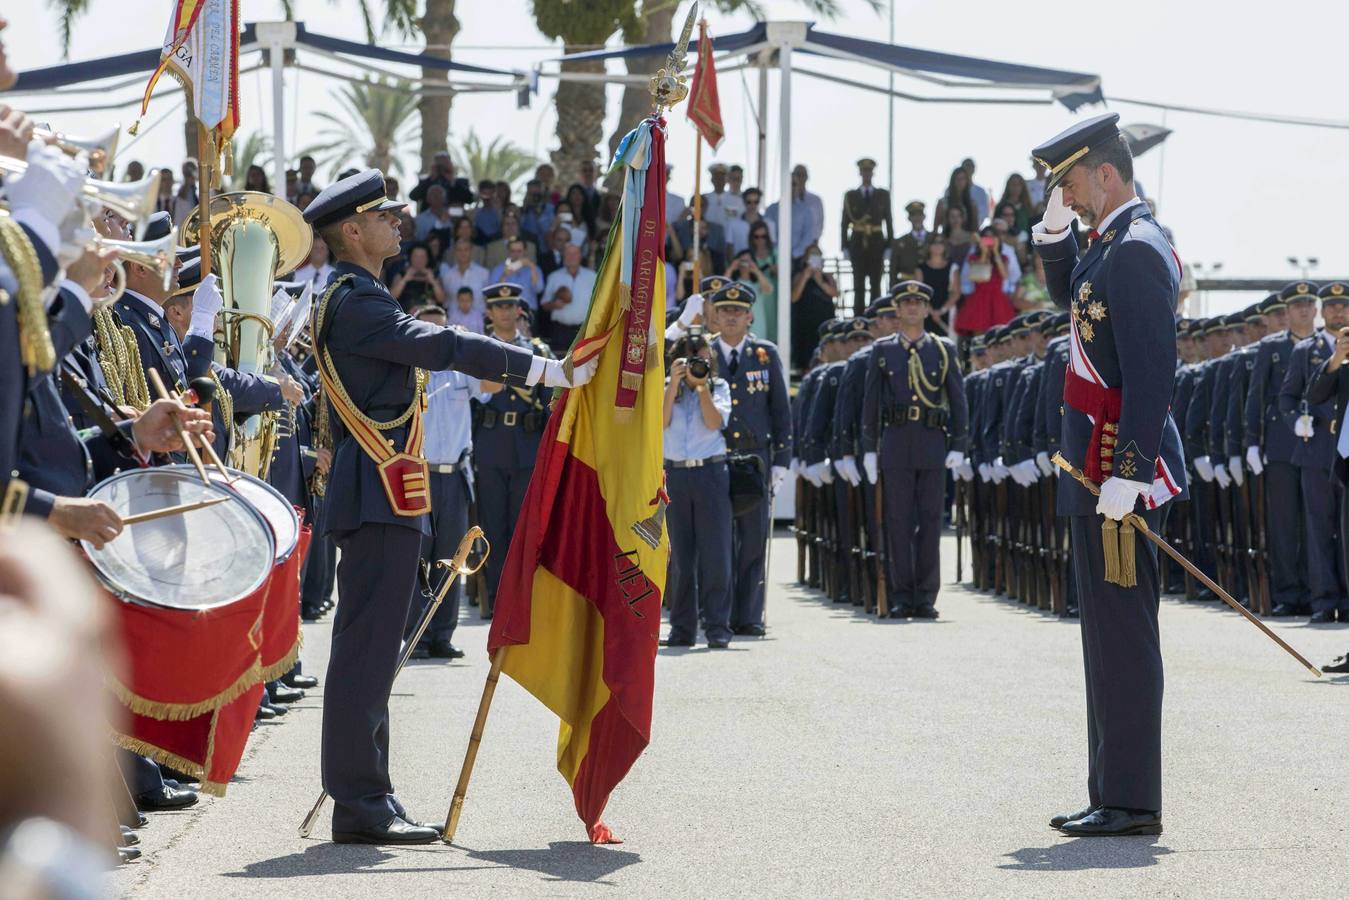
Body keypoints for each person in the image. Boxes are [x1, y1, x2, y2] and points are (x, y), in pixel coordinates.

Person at [302, 169, 594, 845]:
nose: (398, 224)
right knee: (367, 652)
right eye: (385, 216)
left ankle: (368, 795)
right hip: (376, 487)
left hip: (381, 484)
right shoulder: (357, 300)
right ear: (352, 230)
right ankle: (360, 802)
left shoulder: (355, 293)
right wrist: (546, 369)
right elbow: (446, 345)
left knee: (372, 651)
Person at [1032, 113, 1186, 837]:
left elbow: (1155, 371)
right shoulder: (1109, 248)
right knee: (1104, 634)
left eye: (1069, 182)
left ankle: (1130, 800)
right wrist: (1054, 239)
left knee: (1123, 635)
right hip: (1095, 465)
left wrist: (1128, 472)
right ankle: (1111, 790)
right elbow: (1079, 305)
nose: (1067, 194)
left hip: (1116, 468)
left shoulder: (1135, 250)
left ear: (1104, 171)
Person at [861, 281, 967, 617]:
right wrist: (868, 447)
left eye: (917, 303)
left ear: (925, 309)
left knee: (931, 521)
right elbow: (871, 403)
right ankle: (901, 594)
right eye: (905, 302)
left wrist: (959, 444)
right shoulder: (883, 350)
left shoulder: (941, 348)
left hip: (932, 441)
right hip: (895, 443)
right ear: (897, 309)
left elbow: (957, 399)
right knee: (898, 521)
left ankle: (925, 596)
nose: (911, 308)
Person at [705, 282, 792, 635]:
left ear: (750, 316)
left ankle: (749, 615)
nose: (731, 316)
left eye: (738, 311)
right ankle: (716, 615)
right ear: (715, 315)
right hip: (713, 454)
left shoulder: (765, 354)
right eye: (725, 310)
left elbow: (780, 410)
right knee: (717, 541)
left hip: (755, 457)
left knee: (753, 539)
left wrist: (783, 460)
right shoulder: (703, 352)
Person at [472, 283, 556, 618]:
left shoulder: (537, 350)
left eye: (511, 305)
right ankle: (495, 598)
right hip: (490, 444)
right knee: (493, 526)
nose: (506, 311)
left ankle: (522, 599)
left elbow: (551, 403)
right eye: (499, 306)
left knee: (525, 527)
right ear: (489, 312)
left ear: (519, 309)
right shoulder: (480, 348)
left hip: (527, 444)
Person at [406, 304, 478, 658]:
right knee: (417, 559)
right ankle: (415, 636)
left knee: (452, 559)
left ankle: (442, 635)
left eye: (440, 330)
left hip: (452, 475)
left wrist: (471, 347)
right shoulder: (406, 369)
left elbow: (492, 384)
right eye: (426, 330)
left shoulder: (459, 368)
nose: (434, 337)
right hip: (418, 474)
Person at [1277, 283, 1349, 623]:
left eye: (1344, 306)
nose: (1338, 312)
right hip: (1317, 449)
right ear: (1323, 310)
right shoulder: (1308, 350)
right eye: (1332, 306)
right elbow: (1289, 395)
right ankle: (1324, 600)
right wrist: (1297, 421)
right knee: (1319, 529)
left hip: (1345, 452)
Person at [1245, 283, 1317, 615]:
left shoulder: (1328, 346)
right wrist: (1251, 443)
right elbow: (1256, 398)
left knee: (1318, 524)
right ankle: (1290, 592)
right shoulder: (1269, 348)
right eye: (1296, 305)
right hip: (1281, 447)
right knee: (1285, 523)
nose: (1303, 309)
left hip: (1320, 446)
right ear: (1286, 312)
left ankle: (1320, 590)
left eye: (1307, 303)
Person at [661, 329, 735, 649]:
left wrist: (701, 386)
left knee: (716, 553)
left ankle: (717, 626)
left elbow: (714, 422)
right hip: (676, 476)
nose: (697, 365)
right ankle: (682, 628)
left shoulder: (719, 387)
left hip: (711, 473)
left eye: (703, 359)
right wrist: (674, 383)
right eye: (691, 359)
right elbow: (659, 424)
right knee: (680, 556)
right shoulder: (666, 388)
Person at [840, 157, 893, 314]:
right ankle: (858, 318)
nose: (866, 174)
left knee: (876, 284)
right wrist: (844, 246)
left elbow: (888, 220)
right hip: (857, 242)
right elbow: (844, 222)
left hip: (877, 243)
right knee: (858, 285)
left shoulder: (882, 194)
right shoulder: (851, 196)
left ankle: (875, 316)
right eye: (864, 171)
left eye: (869, 171)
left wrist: (889, 245)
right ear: (860, 173)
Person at [955, 225, 1019, 339]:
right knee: (979, 337)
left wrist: (995, 252)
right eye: (986, 237)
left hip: (998, 299)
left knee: (999, 336)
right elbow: (979, 276)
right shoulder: (973, 257)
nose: (989, 239)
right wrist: (984, 253)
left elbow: (1005, 275)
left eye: (992, 237)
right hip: (979, 299)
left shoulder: (1003, 257)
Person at [789, 243, 839, 374]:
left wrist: (819, 280)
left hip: (824, 320)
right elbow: (794, 297)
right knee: (806, 356)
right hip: (805, 322)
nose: (814, 258)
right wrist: (806, 276)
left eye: (817, 254)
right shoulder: (799, 276)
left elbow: (834, 293)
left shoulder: (827, 276)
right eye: (812, 255)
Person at [540, 242, 597, 351]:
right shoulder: (554, 276)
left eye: (575, 253)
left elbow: (598, 303)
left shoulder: (592, 277)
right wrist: (553, 305)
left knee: (582, 366)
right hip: (560, 331)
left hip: (583, 330)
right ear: (563, 256)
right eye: (568, 254)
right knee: (557, 364)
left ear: (580, 255)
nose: (572, 257)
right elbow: (544, 304)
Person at [766, 164, 821, 264]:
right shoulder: (771, 210)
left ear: (798, 186)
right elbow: (769, 234)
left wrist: (794, 254)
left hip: (799, 259)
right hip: (775, 259)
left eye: (794, 184)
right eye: (788, 184)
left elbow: (808, 236)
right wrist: (778, 253)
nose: (791, 187)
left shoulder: (806, 211)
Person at [487, 238, 544, 311]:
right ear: (508, 251)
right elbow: (493, 294)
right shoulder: (498, 270)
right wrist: (504, 276)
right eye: (513, 251)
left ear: (525, 251)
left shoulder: (535, 269)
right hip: (506, 311)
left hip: (528, 310)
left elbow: (538, 289)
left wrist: (532, 267)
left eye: (519, 251)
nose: (516, 254)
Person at [920, 234, 960, 336]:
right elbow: (919, 291)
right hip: (925, 313)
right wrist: (931, 311)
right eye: (934, 243)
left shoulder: (953, 267)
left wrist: (941, 311)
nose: (938, 246)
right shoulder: (920, 268)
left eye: (941, 243)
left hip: (947, 314)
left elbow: (956, 293)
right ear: (928, 246)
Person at [390, 243, 446, 312]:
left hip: (428, 316)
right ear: (410, 258)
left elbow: (442, 299)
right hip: (405, 315)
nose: (419, 260)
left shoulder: (434, 276)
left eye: (422, 257)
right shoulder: (401, 275)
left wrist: (433, 282)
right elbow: (391, 297)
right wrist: (404, 280)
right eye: (416, 256)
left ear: (428, 259)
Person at [439, 237, 491, 307]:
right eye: (459, 250)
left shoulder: (484, 273)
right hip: (453, 317)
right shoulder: (448, 275)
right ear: (454, 252)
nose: (462, 253)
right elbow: (445, 301)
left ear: (471, 251)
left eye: (466, 250)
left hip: (479, 316)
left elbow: (489, 299)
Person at [889, 200, 930, 284]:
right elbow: (893, 269)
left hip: (930, 282)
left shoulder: (933, 238)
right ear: (909, 218)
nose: (917, 218)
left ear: (924, 216)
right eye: (913, 215)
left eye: (919, 215)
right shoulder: (899, 242)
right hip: (906, 283)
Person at [725, 187, 775, 256]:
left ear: (759, 202)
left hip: (762, 265)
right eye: (749, 202)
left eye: (756, 202)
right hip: (740, 264)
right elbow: (729, 248)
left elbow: (772, 248)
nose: (753, 205)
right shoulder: (733, 224)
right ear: (744, 202)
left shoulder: (769, 224)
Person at [935, 166, 979, 240]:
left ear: (966, 181)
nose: (960, 182)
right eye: (957, 179)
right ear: (953, 181)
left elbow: (975, 228)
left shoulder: (972, 204)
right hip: (947, 241)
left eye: (963, 179)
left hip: (967, 243)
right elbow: (936, 227)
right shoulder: (943, 203)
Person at [700, 161, 745, 229]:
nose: (719, 181)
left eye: (722, 178)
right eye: (716, 178)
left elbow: (736, 220)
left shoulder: (736, 199)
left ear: (726, 180)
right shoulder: (705, 198)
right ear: (712, 180)